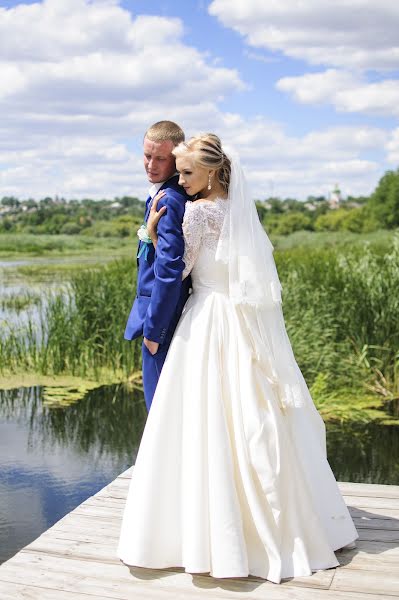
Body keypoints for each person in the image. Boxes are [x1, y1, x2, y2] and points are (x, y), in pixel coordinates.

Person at [118, 133, 358, 583]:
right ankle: (285, 521)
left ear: (212, 171)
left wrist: (148, 235)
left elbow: (176, 271)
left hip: (207, 320)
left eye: (188, 172)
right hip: (242, 321)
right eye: (181, 171)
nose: (181, 180)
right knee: (253, 416)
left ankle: (204, 531)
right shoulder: (241, 212)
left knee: (204, 420)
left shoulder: (196, 213)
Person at [124, 120, 191, 410]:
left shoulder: (171, 199)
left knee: (160, 410)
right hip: (159, 317)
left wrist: (154, 333)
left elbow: (169, 270)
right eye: (147, 155)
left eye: (160, 158)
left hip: (162, 321)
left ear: (176, 159)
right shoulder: (163, 192)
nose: (151, 164)